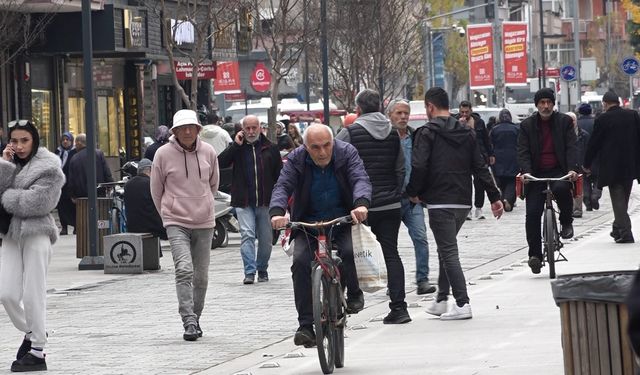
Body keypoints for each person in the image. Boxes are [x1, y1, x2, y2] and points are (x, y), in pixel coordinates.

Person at [406, 87, 503, 321]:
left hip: (439, 201)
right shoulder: (466, 133)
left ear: (429, 107)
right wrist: (494, 196)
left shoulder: (426, 133)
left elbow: (419, 166)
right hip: (462, 201)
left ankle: (462, 303)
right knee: (445, 248)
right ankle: (441, 299)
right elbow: (480, 166)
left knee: (448, 252)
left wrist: (413, 192)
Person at [269, 124, 371, 347]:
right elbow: (282, 186)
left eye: (327, 145)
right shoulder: (296, 159)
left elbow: (359, 179)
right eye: (316, 147)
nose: (323, 152)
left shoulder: (347, 153)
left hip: (342, 219)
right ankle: (306, 325)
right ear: (306, 147)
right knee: (300, 263)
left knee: (348, 252)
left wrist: (361, 204)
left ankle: (353, 293)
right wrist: (277, 212)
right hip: (308, 223)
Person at [336, 89, 410, 324]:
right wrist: (395, 193)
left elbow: (335, 166)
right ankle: (399, 308)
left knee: (349, 252)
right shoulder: (393, 133)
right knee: (391, 254)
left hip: (359, 207)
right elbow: (400, 168)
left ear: (358, 109)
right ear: (380, 106)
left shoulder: (349, 133)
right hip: (390, 205)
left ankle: (353, 299)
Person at [0, 120, 65, 372]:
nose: (19, 146)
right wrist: (4, 165)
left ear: (34, 140)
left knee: (33, 292)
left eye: (24, 140)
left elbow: (39, 203)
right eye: (14, 140)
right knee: (6, 293)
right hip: (10, 235)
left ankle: (38, 350)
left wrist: (6, 197)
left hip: (37, 233)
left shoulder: (50, 167)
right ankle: (32, 331)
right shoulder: (7, 164)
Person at [150, 109, 219, 341]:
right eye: (182, 128)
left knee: (201, 276)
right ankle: (188, 319)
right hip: (175, 219)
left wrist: (205, 204)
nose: (187, 131)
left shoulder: (209, 152)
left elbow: (213, 184)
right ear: (174, 131)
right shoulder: (162, 154)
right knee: (184, 268)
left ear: (199, 129)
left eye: (192, 127)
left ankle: (196, 317)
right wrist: (167, 213)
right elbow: (156, 189)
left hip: (204, 220)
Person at [518, 88, 577, 274]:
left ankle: (566, 221)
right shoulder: (527, 126)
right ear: (536, 105)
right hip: (535, 173)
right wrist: (526, 173)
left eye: (548, 102)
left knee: (561, 189)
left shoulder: (564, 122)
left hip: (559, 170)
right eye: (542, 102)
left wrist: (572, 169)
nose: (545, 106)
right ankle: (535, 255)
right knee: (533, 213)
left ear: (553, 104)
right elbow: (523, 151)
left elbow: (571, 147)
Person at [218, 115, 282, 284]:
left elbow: (280, 177)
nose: (251, 131)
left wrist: (280, 201)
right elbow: (220, 163)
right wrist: (235, 145)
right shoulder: (237, 148)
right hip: (243, 201)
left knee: (266, 239)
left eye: (255, 128)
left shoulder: (271, 148)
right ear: (242, 130)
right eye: (248, 128)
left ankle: (262, 268)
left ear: (260, 128)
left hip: (265, 201)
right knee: (247, 235)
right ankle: (249, 271)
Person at [386, 98, 435, 295]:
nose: (403, 117)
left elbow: (425, 166)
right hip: (391, 199)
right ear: (390, 115)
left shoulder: (416, 137)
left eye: (406, 113)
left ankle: (422, 279)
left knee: (421, 238)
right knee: (390, 244)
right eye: (399, 113)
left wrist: (421, 192)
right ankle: (393, 283)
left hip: (413, 199)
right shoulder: (385, 138)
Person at [584, 90, 640, 243]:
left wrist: (586, 164)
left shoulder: (603, 119)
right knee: (624, 199)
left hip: (612, 166)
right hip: (630, 164)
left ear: (605, 104)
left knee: (618, 200)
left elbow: (594, 144)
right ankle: (617, 229)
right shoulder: (633, 115)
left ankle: (625, 233)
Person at [456, 101, 494, 220]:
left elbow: (486, 139)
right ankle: (467, 209)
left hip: (479, 155)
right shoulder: (454, 122)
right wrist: (459, 126)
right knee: (464, 184)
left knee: (479, 183)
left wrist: (490, 154)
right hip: (462, 157)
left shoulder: (479, 122)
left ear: (471, 110)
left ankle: (479, 208)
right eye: (462, 112)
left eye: (467, 112)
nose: (464, 114)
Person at [124, 158, 167, 241]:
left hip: (133, 228)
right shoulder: (151, 184)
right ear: (151, 170)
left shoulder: (128, 185)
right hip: (153, 228)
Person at [489, 109, 519, 212]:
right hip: (513, 157)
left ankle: (504, 198)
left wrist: (491, 155)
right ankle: (507, 199)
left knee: (500, 181)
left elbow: (489, 144)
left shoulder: (494, 130)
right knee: (512, 181)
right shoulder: (516, 129)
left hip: (498, 158)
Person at [67, 133, 114, 199]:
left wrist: (72, 195)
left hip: (81, 196)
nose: (75, 146)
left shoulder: (74, 158)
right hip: (99, 194)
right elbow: (106, 171)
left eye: (76, 144)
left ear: (79, 143)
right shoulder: (98, 154)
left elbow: (71, 180)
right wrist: (110, 185)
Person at [577, 103, 601, 211]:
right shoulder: (596, 122)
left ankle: (587, 200)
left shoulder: (576, 124)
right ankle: (595, 195)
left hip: (581, 155)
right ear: (590, 111)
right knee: (597, 178)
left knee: (585, 180)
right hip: (596, 155)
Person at [567, 112, 589, 219]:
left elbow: (587, 150)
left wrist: (587, 164)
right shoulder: (561, 134)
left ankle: (577, 210)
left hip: (579, 164)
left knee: (578, 188)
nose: (571, 122)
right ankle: (568, 208)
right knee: (568, 189)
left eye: (573, 120)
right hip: (566, 166)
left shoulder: (583, 135)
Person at [55, 132, 77, 235]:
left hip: (71, 183)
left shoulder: (75, 152)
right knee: (61, 207)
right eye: (63, 139)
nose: (65, 141)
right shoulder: (58, 152)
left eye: (67, 139)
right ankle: (64, 227)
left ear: (71, 141)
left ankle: (76, 226)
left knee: (73, 206)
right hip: (60, 184)